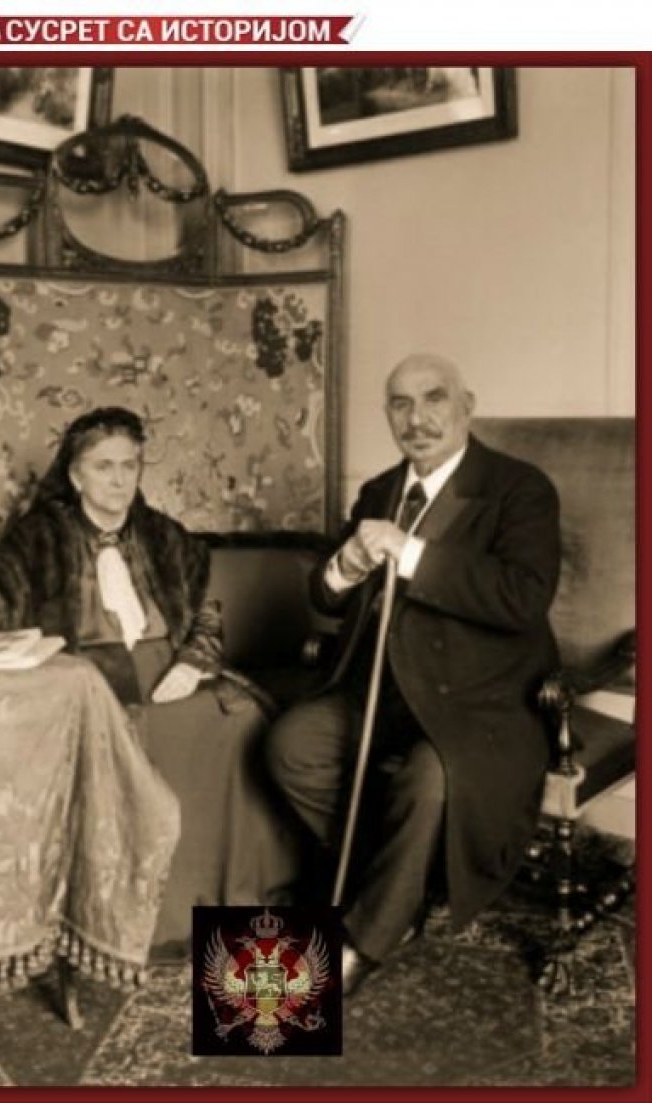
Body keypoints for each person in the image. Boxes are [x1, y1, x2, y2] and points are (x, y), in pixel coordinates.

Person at [0, 405, 294, 945]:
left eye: (129, 465)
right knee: (136, 735)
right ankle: (153, 919)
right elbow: (1, 586)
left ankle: (236, 907)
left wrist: (194, 662)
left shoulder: (161, 534)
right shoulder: (42, 535)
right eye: (103, 466)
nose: (119, 479)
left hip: (169, 667)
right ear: (76, 474)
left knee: (238, 723)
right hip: (87, 675)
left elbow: (205, 609)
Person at [266, 353, 561, 996]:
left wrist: (412, 552)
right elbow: (326, 597)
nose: (417, 419)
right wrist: (347, 563)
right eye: (400, 404)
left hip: (478, 701)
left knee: (430, 779)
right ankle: (394, 876)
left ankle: (367, 939)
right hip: (381, 690)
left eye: (434, 399)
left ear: (466, 406)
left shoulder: (519, 489)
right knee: (292, 745)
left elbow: (523, 597)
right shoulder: (380, 491)